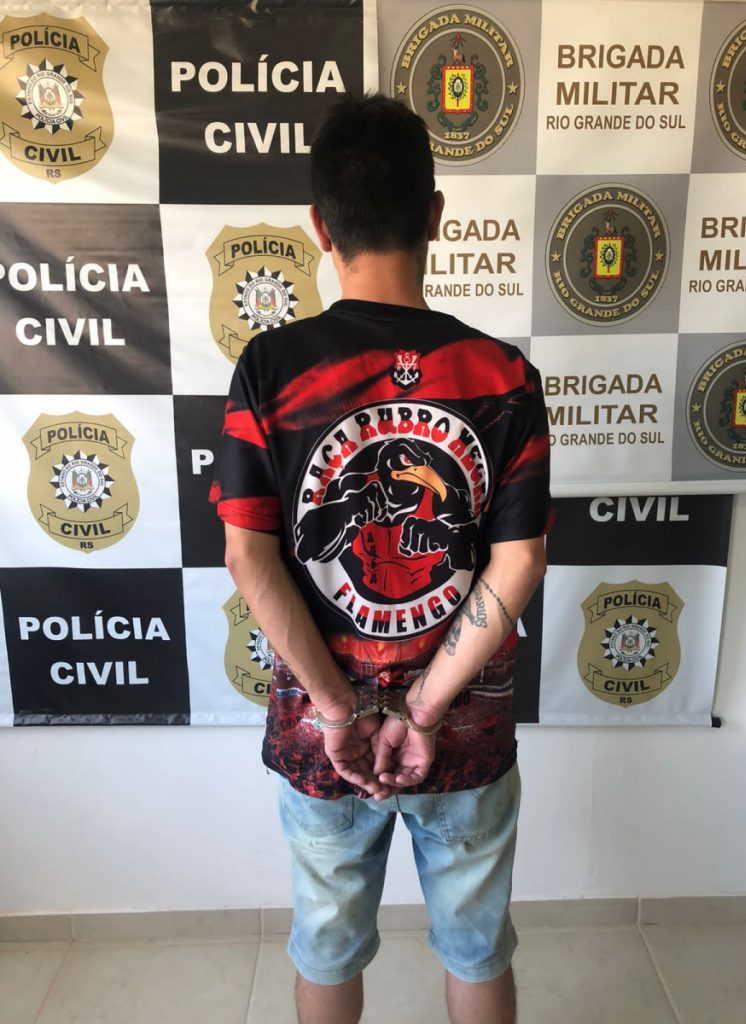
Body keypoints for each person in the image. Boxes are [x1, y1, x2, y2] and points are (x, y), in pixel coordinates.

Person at [212, 93, 551, 1024]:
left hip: (325, 735)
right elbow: (519, 562)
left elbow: (249, 558)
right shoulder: (504, 377)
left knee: (326, 950)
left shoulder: (270, 369)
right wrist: (427, 708)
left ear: (320, 227)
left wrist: (339, 710)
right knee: (477, 950)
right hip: (463, 728)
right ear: (435, 216)